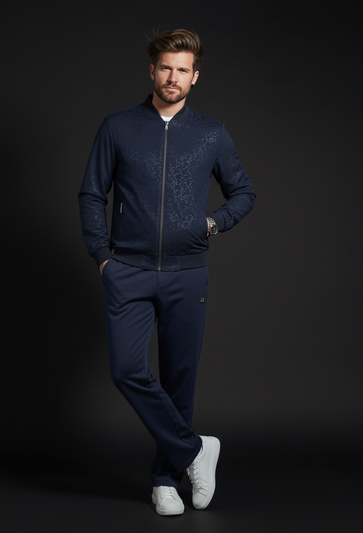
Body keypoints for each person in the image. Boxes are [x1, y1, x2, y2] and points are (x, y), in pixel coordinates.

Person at [78, 29, 255, 516]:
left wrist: (213, 224)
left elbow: (243, 192)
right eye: (165, 68)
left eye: (183, 70)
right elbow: (92, 193)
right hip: (127, 269)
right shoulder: (118, 127)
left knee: (179, 380)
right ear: (152, 71)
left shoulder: (211, 132)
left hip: (187, 272)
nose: (173, 77)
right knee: (127, 370)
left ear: (195, 77)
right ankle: (196, 450)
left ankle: (164, 480)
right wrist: (102, 256)